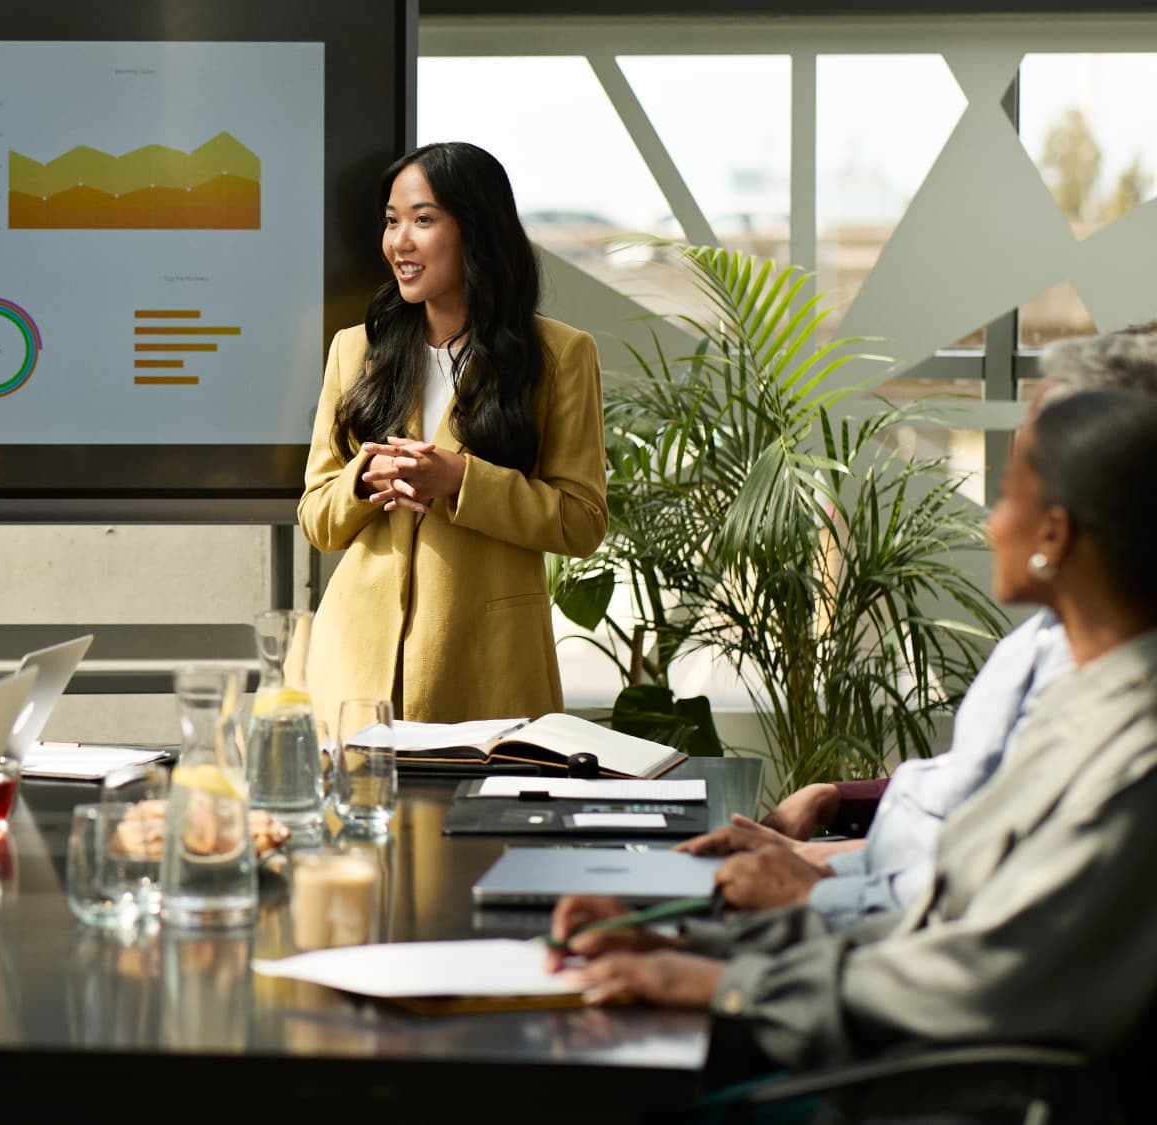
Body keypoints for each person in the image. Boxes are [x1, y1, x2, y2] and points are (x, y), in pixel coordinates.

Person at [549, 387, 1157, 1075]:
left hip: (920, 1084)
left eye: (1009, 494)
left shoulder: (1134, 755)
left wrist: (726, 984)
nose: (991, 522)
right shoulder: (1081, 704)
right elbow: (929, 923)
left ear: (1054, 534)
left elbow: (986, 974)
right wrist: (680, 940)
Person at [677, 329, 1157, 926]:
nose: (990, 524)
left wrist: (813, 885)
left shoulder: (1108, 699)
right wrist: (830, 813)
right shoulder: (1048, 643)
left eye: (1015, 486)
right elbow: (970, 804)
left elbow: (982, 897)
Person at [298, 142, 607, 724]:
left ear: (477, 230)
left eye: (423, 220)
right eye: (391, 222)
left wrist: (461, 479)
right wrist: (363, 479)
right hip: (355, 675)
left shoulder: (559, 355)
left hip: (490, 670)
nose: (400, 242)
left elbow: (581, 519)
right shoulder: (354, 350)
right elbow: (316, 518)